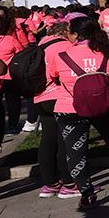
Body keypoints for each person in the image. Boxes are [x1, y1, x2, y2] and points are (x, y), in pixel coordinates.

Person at [45, 17, 109, 209]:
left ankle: (86, 193)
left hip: (69, 108)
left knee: (75, 152)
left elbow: (53, 77)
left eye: (69, 31)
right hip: (108, 106)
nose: (67, 34)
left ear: (77, 35)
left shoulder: (61, 55)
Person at [29, 18, 76, 197]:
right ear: (66, 32)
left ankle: (50, 183)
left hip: (41, 96)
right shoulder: (64, 47)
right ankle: (69, 183)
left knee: (48, 139)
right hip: (60, 96)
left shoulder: (42, 43)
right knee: (66, 138)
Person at [0, 10, 25, 151]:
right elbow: (21, 54)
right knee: (12, 102)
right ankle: (12, 125)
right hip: (8, 76)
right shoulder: (10, 39)